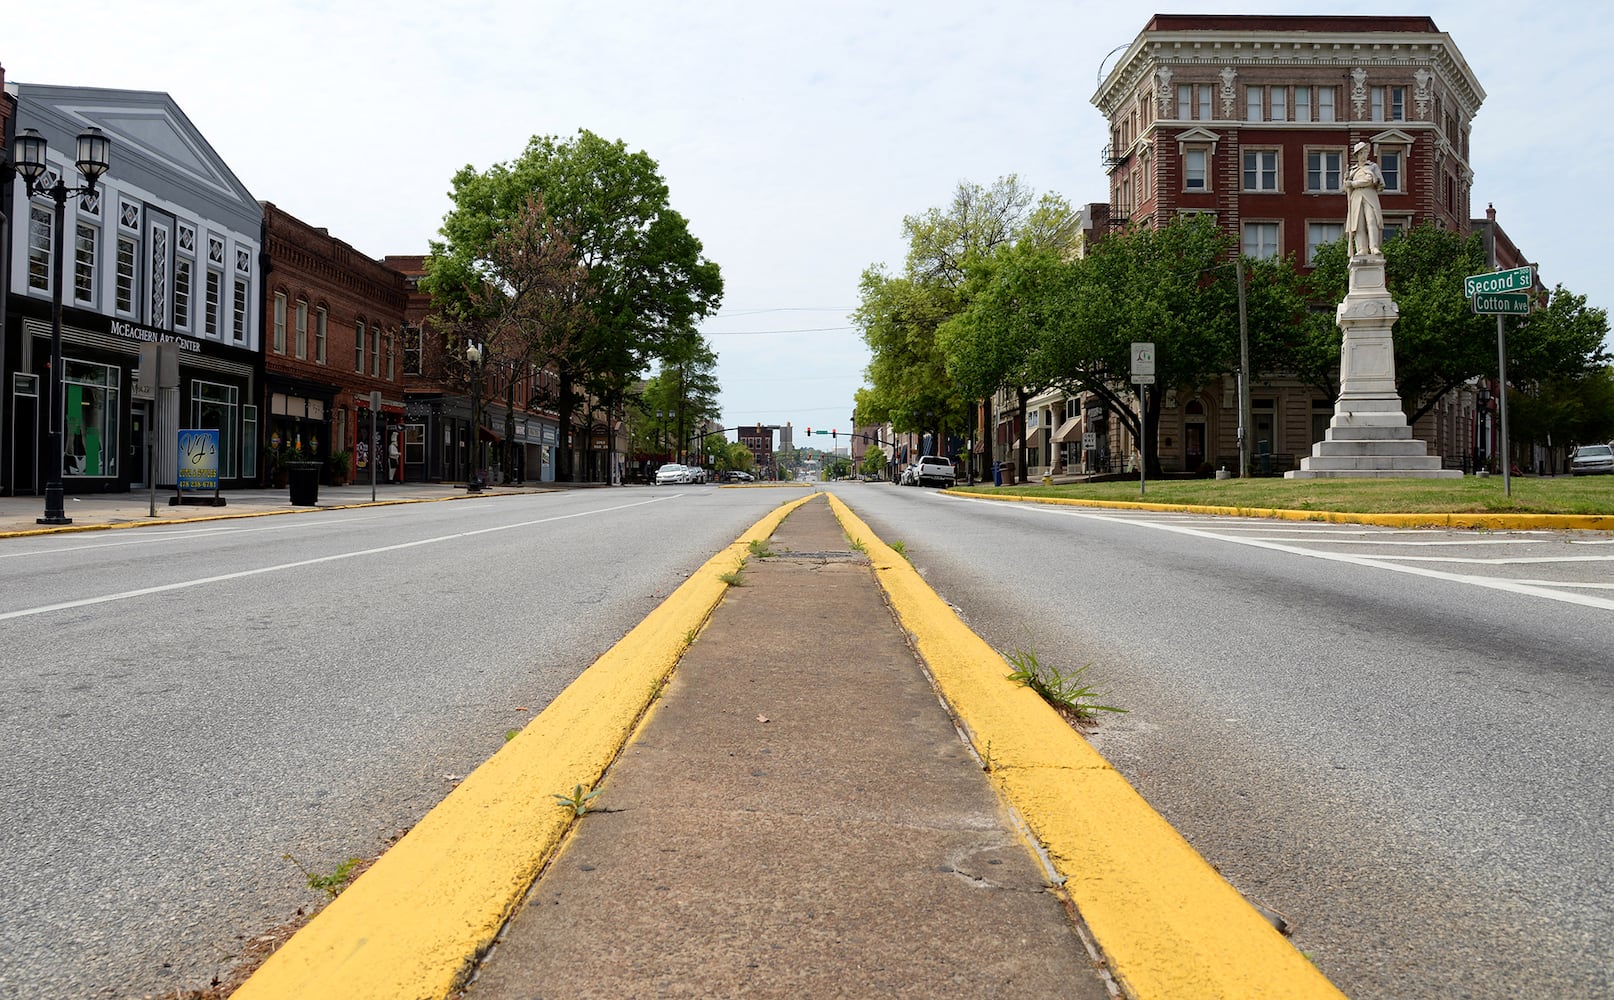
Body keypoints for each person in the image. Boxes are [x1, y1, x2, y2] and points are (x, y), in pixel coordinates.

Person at [1344, 141, 1385, 257]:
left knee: (1372, 221)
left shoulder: (1372, 167)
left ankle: (1374, 247)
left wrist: (1353, 183)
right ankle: (1362, 248)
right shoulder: (1353, 170)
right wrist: (1346, 182)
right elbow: (1345, 188)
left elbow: (1371, 180)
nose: (1363, 155)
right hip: (1356, 198)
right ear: (1357, 155)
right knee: (1358, 224)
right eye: (1361, 153)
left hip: (1370, 195)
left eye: (1365, 152)